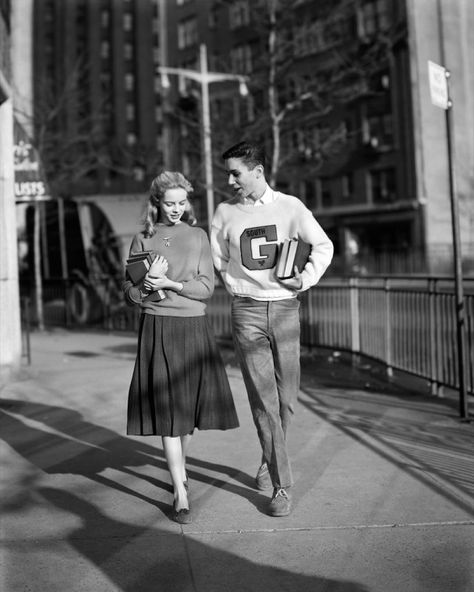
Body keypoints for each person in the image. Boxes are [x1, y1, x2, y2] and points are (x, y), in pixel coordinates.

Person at [210, 141, 333, 517]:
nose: (230, 180)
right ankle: (282, 486)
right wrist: (238, 287)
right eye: (228, 173)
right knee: (263, 399)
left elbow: (323, 246)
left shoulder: (291, 207)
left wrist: (304, 280)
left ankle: (268, 458)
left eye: (236, 173)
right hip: (246, 311)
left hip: (285, 309)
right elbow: (220, 259)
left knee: (287, 397)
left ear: (258, 170)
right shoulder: (224, 213)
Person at [123, 171, 239, 524]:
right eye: (169, 203)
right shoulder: (143, 237)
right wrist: (146, 285)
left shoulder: (198, 236)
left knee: (186, 417)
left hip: (193, 328)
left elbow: (206, 288)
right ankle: (180, 491)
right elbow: (129, 293)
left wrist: (169, 282)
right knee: (168, 414)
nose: (175, 209)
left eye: (181, 203)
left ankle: (180, 469)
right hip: (157, 327)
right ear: (156, 202)